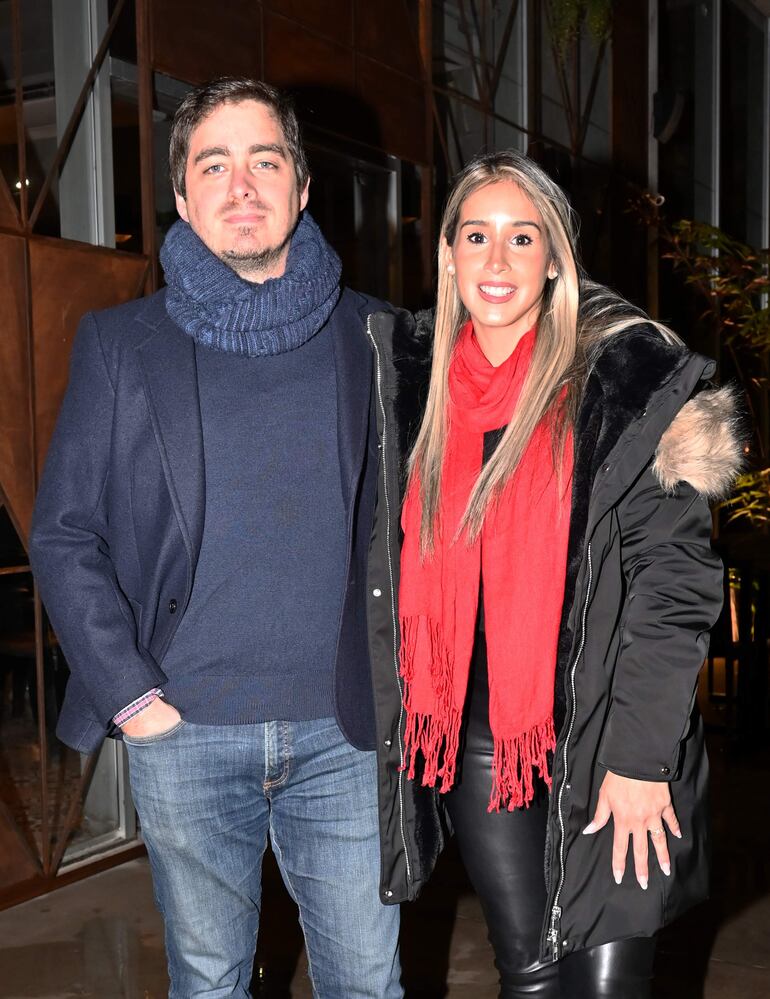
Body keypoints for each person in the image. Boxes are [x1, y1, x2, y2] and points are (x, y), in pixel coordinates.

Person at [29, 77, 441, 998]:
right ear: (182, 196)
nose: (242, 184)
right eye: (214, 165)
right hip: (185, 730)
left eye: (265, 159)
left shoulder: (381, 336)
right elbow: (63, 532)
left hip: (345, 735)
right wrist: (134, 698)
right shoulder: (120, 344)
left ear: (302, 186)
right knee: (210, 983)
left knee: (368, 983)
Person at [391, 150, 742, 997]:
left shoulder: (626, 385)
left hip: (611, 736)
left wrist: (641, 759)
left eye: (523, 237)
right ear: (448, 254)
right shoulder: (411, 389)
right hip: (486, 743)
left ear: (555, 257)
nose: (498, 259)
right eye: (477, 235)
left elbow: (674, 585)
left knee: (612, 982)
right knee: (530, 974)